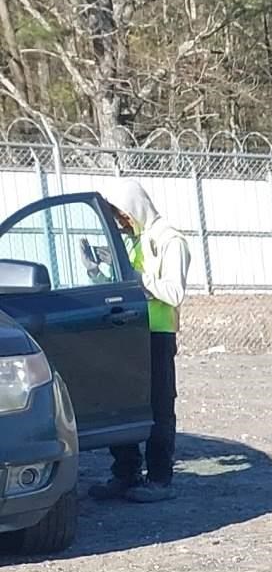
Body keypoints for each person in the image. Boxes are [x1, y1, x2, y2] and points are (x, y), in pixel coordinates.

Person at [94, 180, 190, 503]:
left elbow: (175, 292)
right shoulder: (136, 240)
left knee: (159, 407)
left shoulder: (170, 241)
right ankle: (126, 472)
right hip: (129, 330)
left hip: (157, 334)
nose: (121, 221)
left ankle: (160, 478)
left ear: (136, 207)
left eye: (122, 214)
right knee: (122, 401)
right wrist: (101, 269)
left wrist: (140, 280)